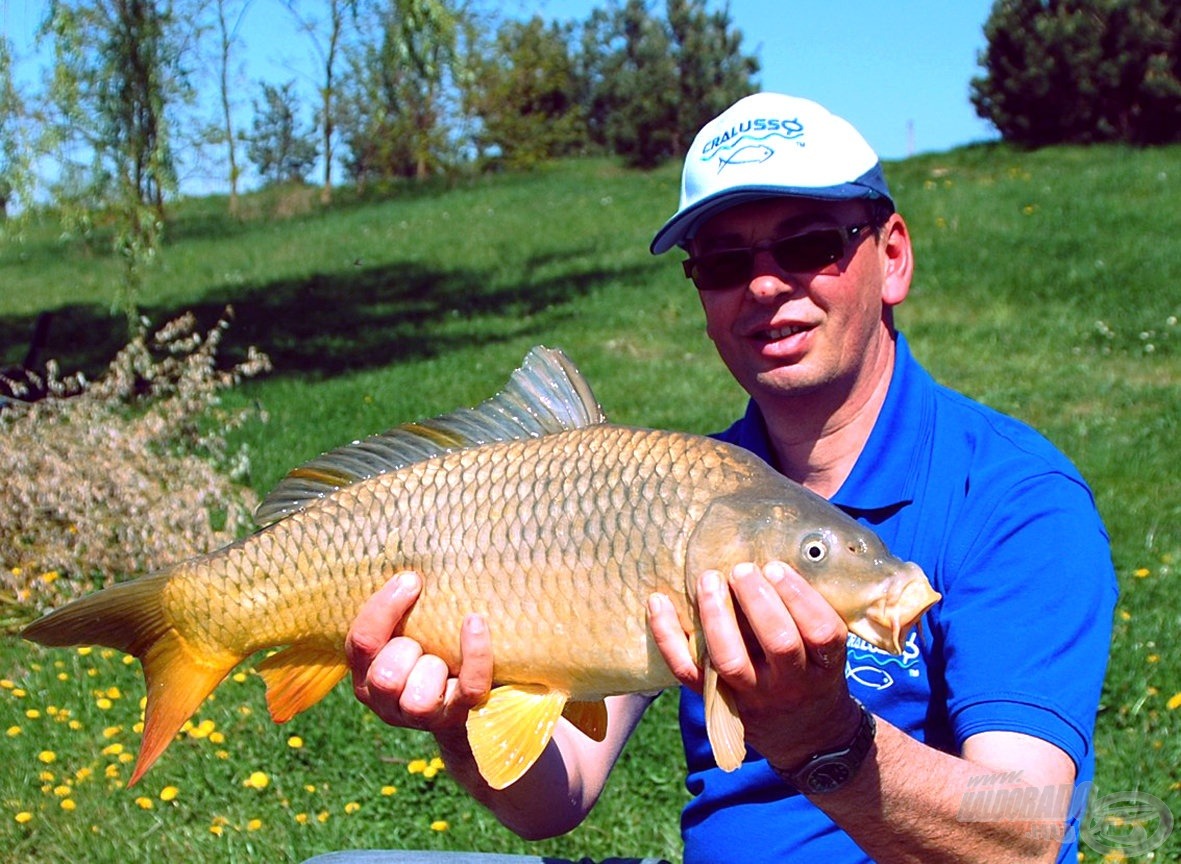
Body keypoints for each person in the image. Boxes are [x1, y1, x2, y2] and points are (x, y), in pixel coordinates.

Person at [340, 93, 1117, 864]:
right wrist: (455, 715)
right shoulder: (677, 497)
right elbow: (555, 797)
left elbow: (1024, 825)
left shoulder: (1014, 497)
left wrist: (822, 738)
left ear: (892, 258)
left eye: (809, 244)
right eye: (723, 261)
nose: (765, 285)